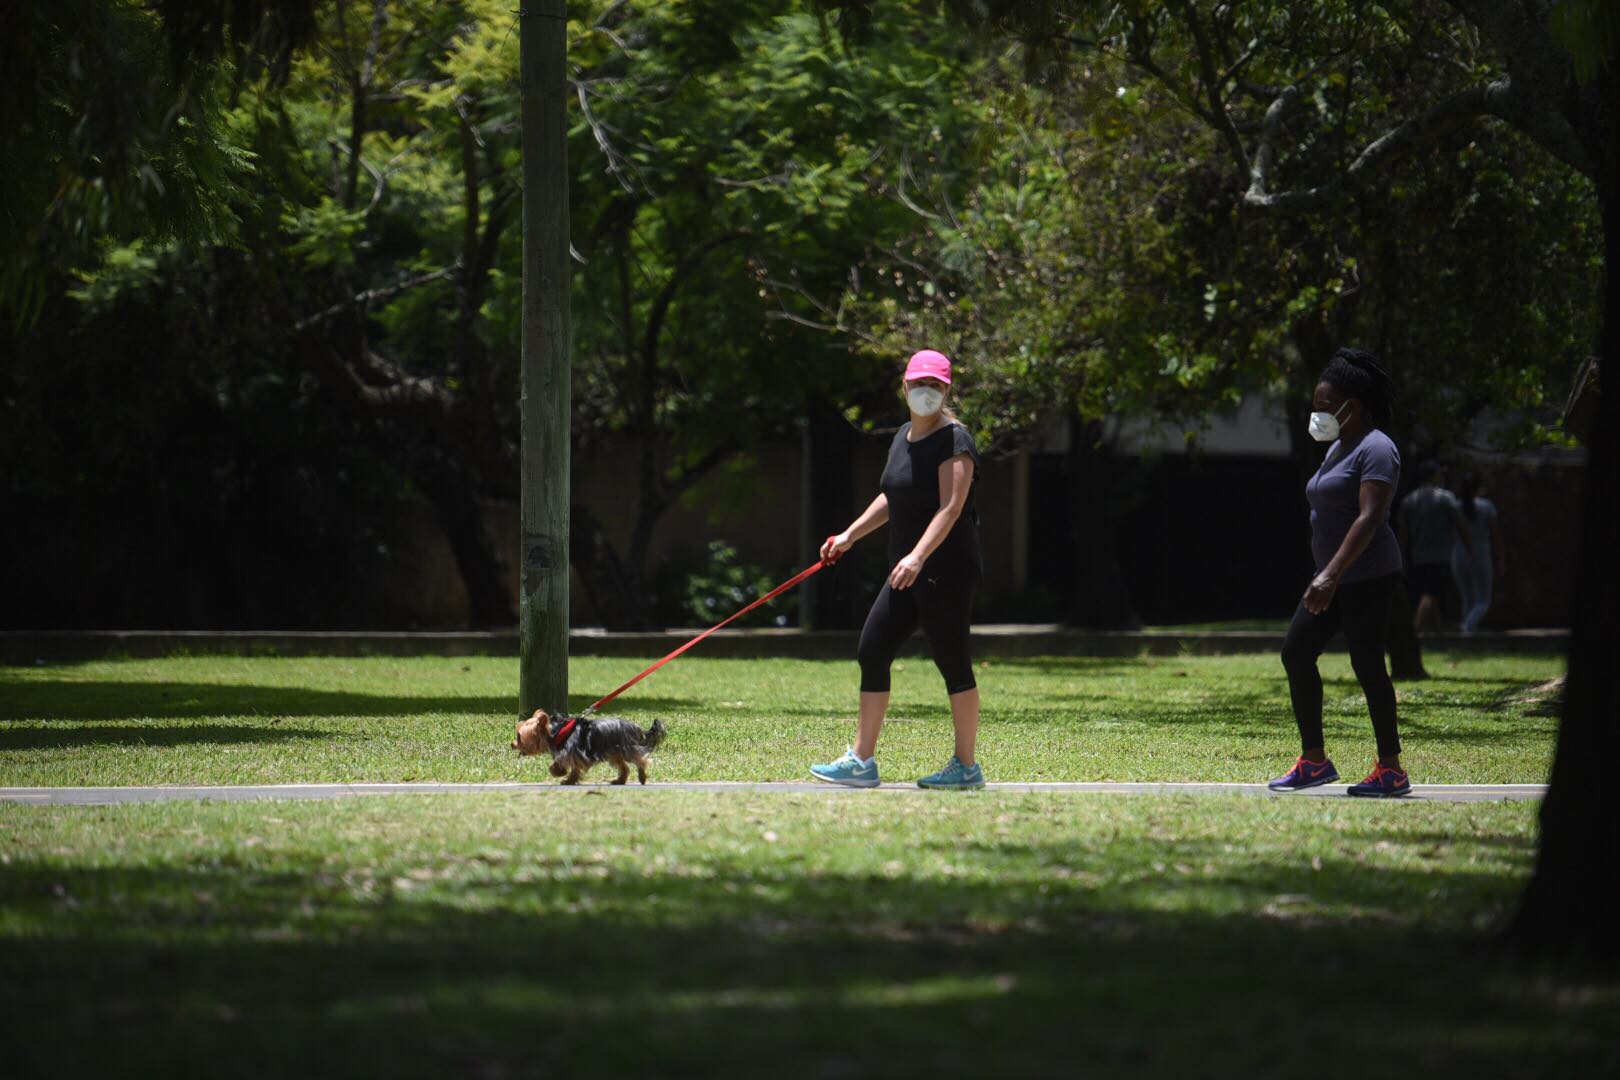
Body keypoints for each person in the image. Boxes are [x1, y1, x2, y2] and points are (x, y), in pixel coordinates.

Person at [810, 349, 985, 790]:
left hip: (943, 567)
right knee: (873, 648)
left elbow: (950, 508)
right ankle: (862, 761)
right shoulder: (903, 436)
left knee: (952, 660)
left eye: (935, 385)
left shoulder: (955, 441)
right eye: (917, 384)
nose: (925, 392)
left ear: (947, 390)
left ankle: (966, 767)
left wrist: (918, 555)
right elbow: (894, 496)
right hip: (906, 569)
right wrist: (850, 535)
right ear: (903, 387)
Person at [1269, 348, 1413, 797]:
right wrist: (1327, 573)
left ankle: (1391, 769)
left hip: (1367, 575)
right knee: (1296, 652)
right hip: (1332, 575)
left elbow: (1369, 517)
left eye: (1325, 407)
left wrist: (1329, 574)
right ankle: (1314, 761)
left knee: (1368, 664)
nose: (1318, 415)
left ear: (1354, 405)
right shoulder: (1337, 448)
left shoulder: (1377, 448)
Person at [1398, 461, 1467, 633]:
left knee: (1429, 590)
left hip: (1418, 555)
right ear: (1434, 475)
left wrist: (1403, 554)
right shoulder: (1445, 498)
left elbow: (1403, 531)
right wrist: (1469, 547)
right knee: (1432, 592)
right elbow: (1460, 525)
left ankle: (1438, 629)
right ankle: (1415, 630)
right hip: (1440, 554)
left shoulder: (1409, 499)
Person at [1451, 472, 1507, 633]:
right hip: (1480, 551)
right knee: (1483, 600)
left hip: (1458, 552)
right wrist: (1501, 558)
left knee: (1467, 596)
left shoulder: (1455, 505)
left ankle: (1469, 629)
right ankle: (1468, 626)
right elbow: (1496, 535)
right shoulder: (1486, 506)